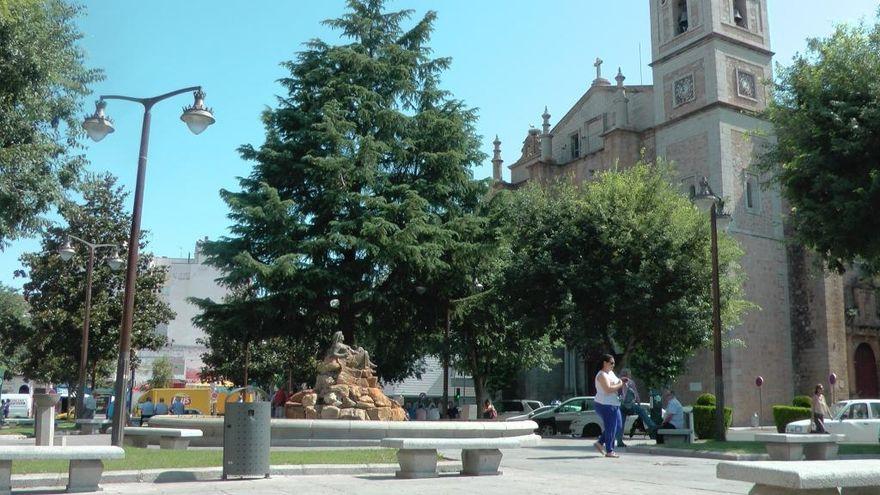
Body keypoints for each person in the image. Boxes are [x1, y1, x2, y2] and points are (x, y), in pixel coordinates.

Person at [594, 354, 625, 458]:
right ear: (604, 363)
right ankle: (610, 451)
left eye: (614, 363)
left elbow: (616, 383)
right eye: (611, 363)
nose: (613, 365)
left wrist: (621, 380)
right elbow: (607, 389)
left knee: (618, 426)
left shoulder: (610, 373)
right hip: (605, 404)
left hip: (614, 404)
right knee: (611, 427)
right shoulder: (601, 375)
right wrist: (620, 384)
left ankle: (600, 443)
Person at [617, 369, 657, 447]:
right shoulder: (630, 382)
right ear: (628, 374)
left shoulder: (617, 381)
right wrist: (638, 403)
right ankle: (651, 425)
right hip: (629, 405)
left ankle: (619, 441)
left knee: (621, 423)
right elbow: (635, 394)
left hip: (620, 405)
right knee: (641, 410)